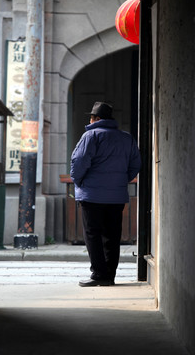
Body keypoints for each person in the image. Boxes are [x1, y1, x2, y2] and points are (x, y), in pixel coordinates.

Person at [70, 102, 141, 287]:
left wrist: (79, 181)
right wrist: (119, 182)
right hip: (116, 197)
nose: (89, 120)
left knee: (93, 234)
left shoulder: (91, 136)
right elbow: (135, 165)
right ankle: (109, 275)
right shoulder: (126, 138)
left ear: (97, 119)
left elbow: (78, 162)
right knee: (112, 235)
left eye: (91, 117)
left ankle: (99, 274)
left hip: (92, 195)